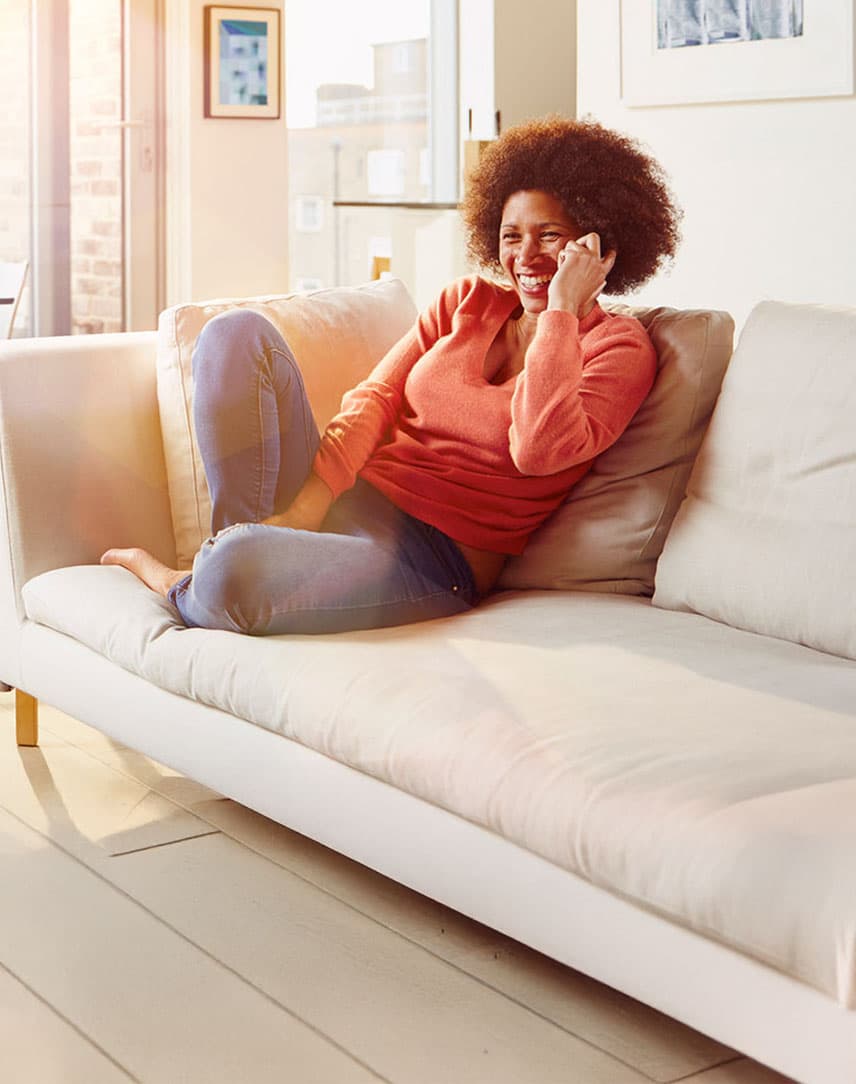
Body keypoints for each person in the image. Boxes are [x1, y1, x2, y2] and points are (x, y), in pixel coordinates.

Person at [102, 117, 681, 635]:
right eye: (511, 236)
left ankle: (202, 576)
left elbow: (537, 448)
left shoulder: (618, 348)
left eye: (550, 236)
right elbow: (375, 398)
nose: (526, 255)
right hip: (350, 500)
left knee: (236, 570)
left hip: (429, 561)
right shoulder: (465, 302)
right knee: (233, 335)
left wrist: (559, 312)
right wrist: (309, 504)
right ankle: (238, 551)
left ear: (597, 244)